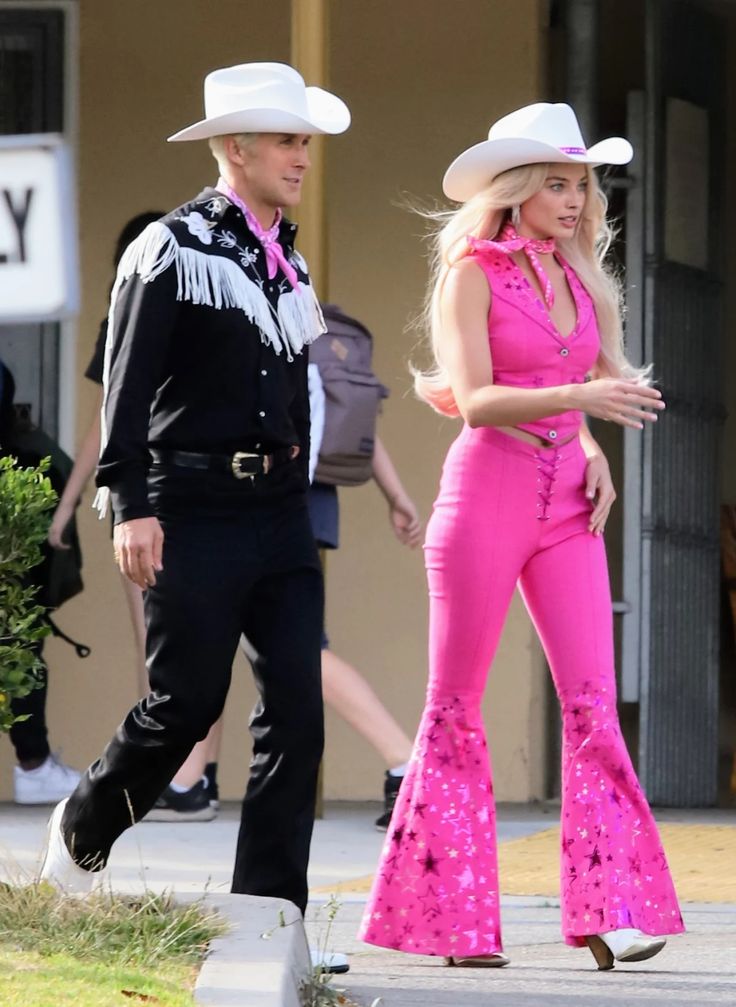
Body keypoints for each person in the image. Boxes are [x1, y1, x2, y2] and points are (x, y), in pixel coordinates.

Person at [360, 102, 684, 971]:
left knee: (592, 701)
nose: (576, 198)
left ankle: (610, 911)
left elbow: (578, 380)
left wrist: (589, 448)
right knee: (457, 709)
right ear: (514, 190)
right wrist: (581, 407)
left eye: (582, 183)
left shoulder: (582, 282)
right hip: (486, 496)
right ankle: (455, 923)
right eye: (557, 181)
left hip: (566, 507)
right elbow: (475, 400)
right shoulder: (470, 274)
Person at [39, 62, 350, 933]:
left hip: (280, 512)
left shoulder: (284, 255)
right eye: (288, 140)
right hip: (192, 507)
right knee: (185, 705)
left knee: (297, 710)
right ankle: (81, 831)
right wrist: (131, 502)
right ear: (235, 147)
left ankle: (269, 912)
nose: (302, 157)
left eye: (304, 141)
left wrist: (300, 480)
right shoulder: (168, 247)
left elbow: (295, 390)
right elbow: (125, 389)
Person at [48, 211, 222, 822]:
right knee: (208, 643)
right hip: (203, 492)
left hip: (146, 498)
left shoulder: (127, 308)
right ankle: (199, 775)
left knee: (162, 645)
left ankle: (182, 780)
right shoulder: (210, 301)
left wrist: (67, 506)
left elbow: (105, 425)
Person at [308, 432, 420, 830]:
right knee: (289, 643)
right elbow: (358, 415)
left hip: (263, 497)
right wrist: (395, 495)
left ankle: (407, 764)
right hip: (304, 497)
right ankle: (191, 780)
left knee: (299, 645)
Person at [0, 362, 82, 805]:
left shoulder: (28, 449)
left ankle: (35, 765)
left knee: (20, 652)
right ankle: (34, 765)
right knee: (20, 652)